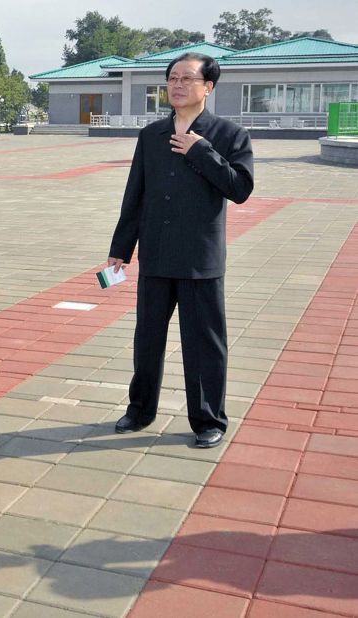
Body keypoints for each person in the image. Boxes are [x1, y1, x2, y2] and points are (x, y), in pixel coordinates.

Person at [107, 52, 253, 449]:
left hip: (199, 260)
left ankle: (208, 420)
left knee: (204, 343)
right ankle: (140, 409)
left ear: (208, 87)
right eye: (172, 78)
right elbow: (135, 194)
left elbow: (240, 189)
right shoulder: (150, 135)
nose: (177, 85)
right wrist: (122, 248)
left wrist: (200, 151)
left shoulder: (229, 135)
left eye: (187, 78)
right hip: (155, 255)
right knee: (147, 339)